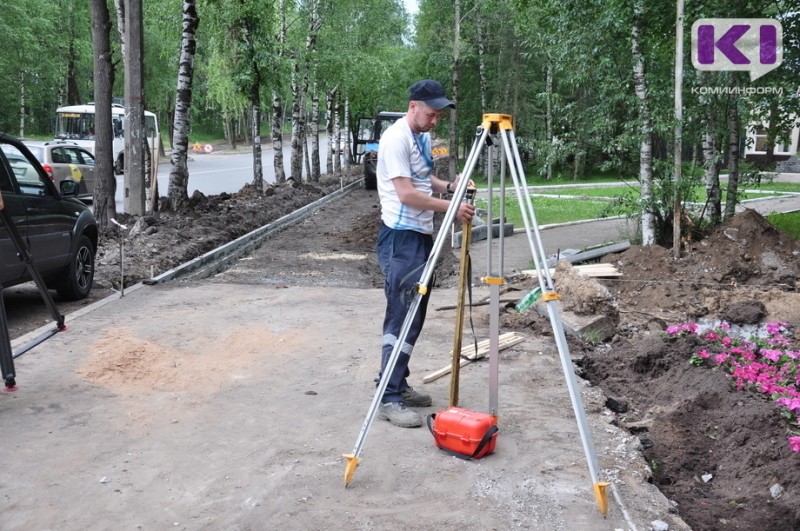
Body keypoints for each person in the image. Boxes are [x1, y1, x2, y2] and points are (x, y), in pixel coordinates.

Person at [374, 79, 476, 428]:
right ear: (414, 106)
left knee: (414, 315)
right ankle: (387, 397)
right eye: (431, 114)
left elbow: (422, 180)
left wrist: (450, 186)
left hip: (419, 235)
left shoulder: (422, 136)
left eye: (438, 116)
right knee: (401, 316)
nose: (435, 121)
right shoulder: (395, 139)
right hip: (400, 239)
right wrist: (452, 207)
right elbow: (406, 194)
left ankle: (397, 384)